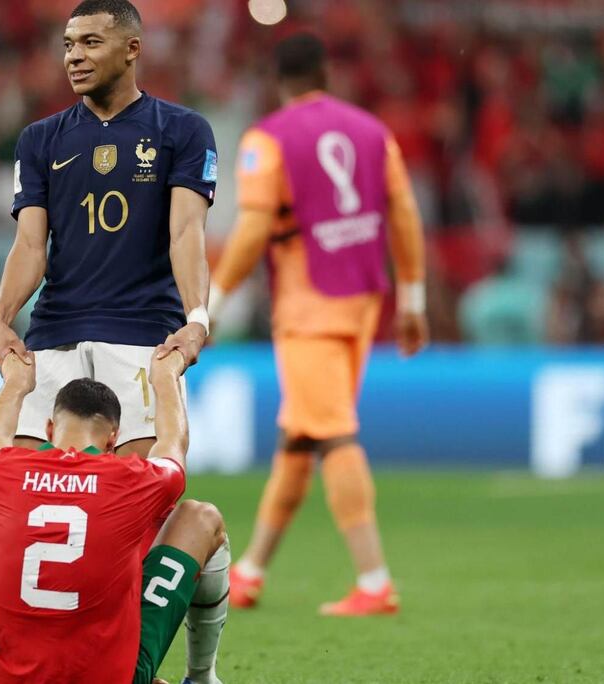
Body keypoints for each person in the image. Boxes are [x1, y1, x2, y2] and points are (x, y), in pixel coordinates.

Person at [0, 2, 229, 676]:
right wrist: (2, 316)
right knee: (22, 516)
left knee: (142, 526)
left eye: (92, 42)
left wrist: (197, 316)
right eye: (69, 44)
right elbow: (30, 245)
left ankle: (187, 670)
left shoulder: (181, 130)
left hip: (141, 339)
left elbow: (186, 232)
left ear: (132, 48)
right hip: (54, 341)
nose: (75, 56)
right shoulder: (40, 139)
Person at [209, 33, 428, 616]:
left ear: (277, 81)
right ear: (325, 74)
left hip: (309, 309)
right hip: (363, 300)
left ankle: (374, 580)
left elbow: (254, 228)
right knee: (300, 436)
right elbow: (404, 214)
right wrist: (413, 298)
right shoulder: (373, 131)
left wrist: (214, 302)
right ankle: (250, 571)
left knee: (331, 433)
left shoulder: (268, 139)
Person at [0, 349, 226, 684]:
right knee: (200, 517)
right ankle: (202, 677)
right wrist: (166, 376)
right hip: (108, 677)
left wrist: (16, 381)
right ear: (113, 438)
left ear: (49, 429)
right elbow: (173, 443)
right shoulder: (129, 479)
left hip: (1, 678)